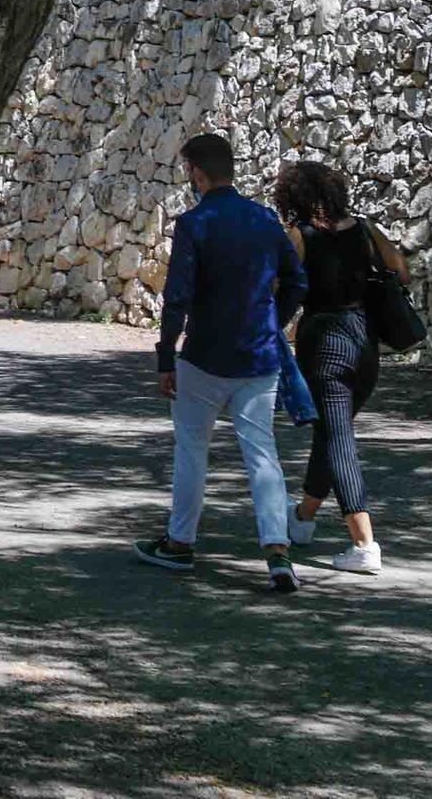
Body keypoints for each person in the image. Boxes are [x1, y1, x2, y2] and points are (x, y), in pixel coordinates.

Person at [134, 133, 308, 593]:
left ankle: (180, 541)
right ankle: (277, 551)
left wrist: (165, 355)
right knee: (262, 452)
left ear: (196, 171)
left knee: (192, 449)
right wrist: (274, 320)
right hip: (259, 356)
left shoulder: (194, 224)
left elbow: (177, 297)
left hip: (205, 356)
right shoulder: (264, 220)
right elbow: (297, 281)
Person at [273, 160, 409, 575]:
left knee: (338, 440)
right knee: (331, 434)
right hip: (365, 344)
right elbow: (402, 271)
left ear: (294, 197)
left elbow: (282, 289)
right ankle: (303, 519)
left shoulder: (300, 235)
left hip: (324, 344)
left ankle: (364, 543)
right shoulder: (366, 230)